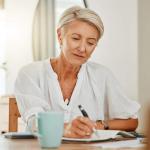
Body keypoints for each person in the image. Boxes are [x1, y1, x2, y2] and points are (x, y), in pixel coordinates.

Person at [14, 6, 140, 138]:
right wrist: (66, 129)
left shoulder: (102, 75)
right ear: (60, 35)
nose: (82, 48)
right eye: (75, 38)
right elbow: (35, 123)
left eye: (90, 43)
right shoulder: (30, 74)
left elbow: (131, 121)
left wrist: (97, 125)